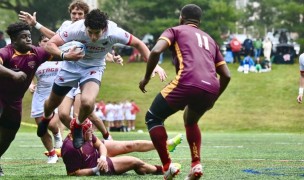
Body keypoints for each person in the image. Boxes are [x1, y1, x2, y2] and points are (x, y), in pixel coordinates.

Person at [39, 9, 167, 149]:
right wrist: (65, 56)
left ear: (104, 29)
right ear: (85, 27)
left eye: (97, 33)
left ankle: (78, 125)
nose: (93, 37)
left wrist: (154, 66)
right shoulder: (76, 28)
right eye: (90, 32)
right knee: (51, 103)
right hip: (70, 66)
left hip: (93, 68)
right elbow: (50, 45)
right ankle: (45, 118)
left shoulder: (114, 32)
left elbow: (139, 44)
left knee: (88, 103)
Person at [139, 4, 231, 180]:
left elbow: (156, 51)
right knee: (190, 120)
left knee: (153, 117)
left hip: (187, 81)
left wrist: (146, 78)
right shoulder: (210, 40)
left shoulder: (175, 30)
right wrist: (214, 99)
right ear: (199, 21)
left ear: (181, 18)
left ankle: (167, 166)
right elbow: (226, 75)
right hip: (210, 87)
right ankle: (196, 164)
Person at [19, 1, 114, 140]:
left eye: (80, 14)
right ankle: (84, 138)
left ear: (86, 16)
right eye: (74, 13)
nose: (76, 16)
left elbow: (101, 45)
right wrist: (36, 24)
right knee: (63, 114)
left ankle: (105, 138)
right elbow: (54, 38)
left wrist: (111, 56)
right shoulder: (66, 26)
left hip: (87, 74)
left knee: (86, 110)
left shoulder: (93, 29)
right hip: (69, 72)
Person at [0, 22, 80, 176]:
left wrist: (70, 55)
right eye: (23, 37)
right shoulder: (6, 52)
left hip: (15, 101)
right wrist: (13, 74)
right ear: (14, 40)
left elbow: (58, 55)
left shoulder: (37, 53)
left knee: (9, 134)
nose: (28, 39)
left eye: (29, 36)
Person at [62, 119, 182, 176]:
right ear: (78, 133)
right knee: (135, 161)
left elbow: (100, 145)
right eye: (88, 131)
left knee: (131, 144)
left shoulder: (84, 135)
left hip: (99, 157)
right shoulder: (70, 148)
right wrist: (96, 169)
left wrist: (103, 157)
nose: (91, 132)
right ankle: (163, 170)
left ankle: (166, 144)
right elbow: (73, 173)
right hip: (95, 167)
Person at [29, 35, 63, 163]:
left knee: (52, 124)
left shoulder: (61, 57)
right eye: (44, 41)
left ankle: (57, 135)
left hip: (57, 96)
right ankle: (52, 154)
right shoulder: (35, 59)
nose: (48, 43)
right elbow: (28, 75)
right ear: (39, 43)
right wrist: (31, 85)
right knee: (41, 128)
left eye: (50, 41)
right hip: (40, 97)